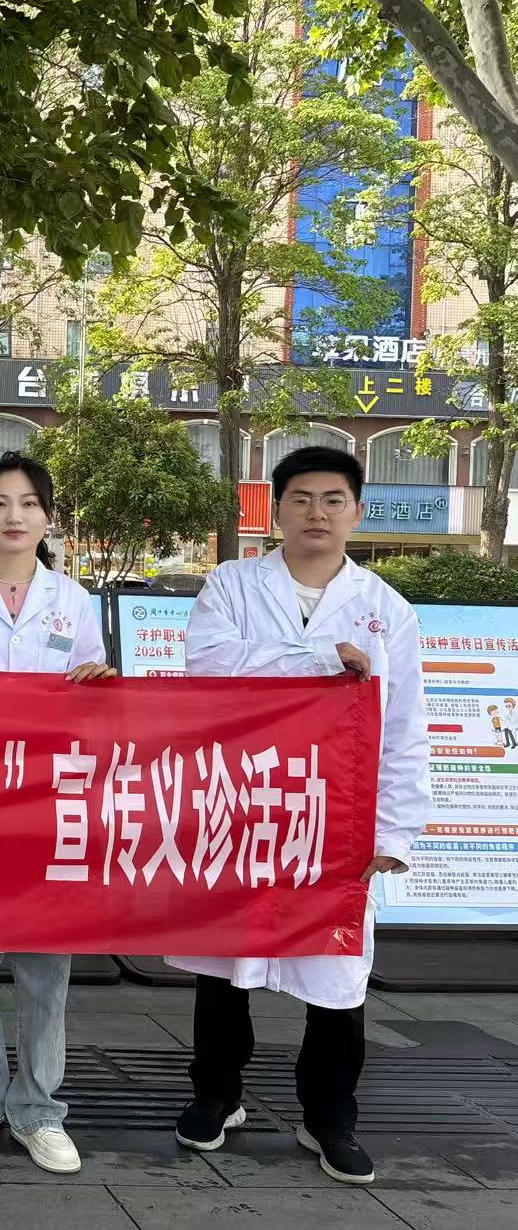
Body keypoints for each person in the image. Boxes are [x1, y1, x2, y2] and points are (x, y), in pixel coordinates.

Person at [168, 446, 428, 1186]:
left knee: (337, 973)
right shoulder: (231, 584)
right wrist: (316, 662)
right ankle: (217, 1094)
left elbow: (405, 726)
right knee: (226, 965)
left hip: (337, 817)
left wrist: (393, 832)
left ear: (356, 511)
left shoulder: (387, 610)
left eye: (333, 500)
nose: (317, 513)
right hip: (244, 799)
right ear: (276, 509)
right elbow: (209, 669)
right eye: (302, 499)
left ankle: (330, 1116)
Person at [0, 452, 115, 1175]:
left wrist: (96, 683)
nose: (14, 516)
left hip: (47, 798)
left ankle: (39, 1106)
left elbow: (93, 697)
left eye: (29, 503)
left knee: (45, 962)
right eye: (0, 503)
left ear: (47, 517)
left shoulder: (72, 599)